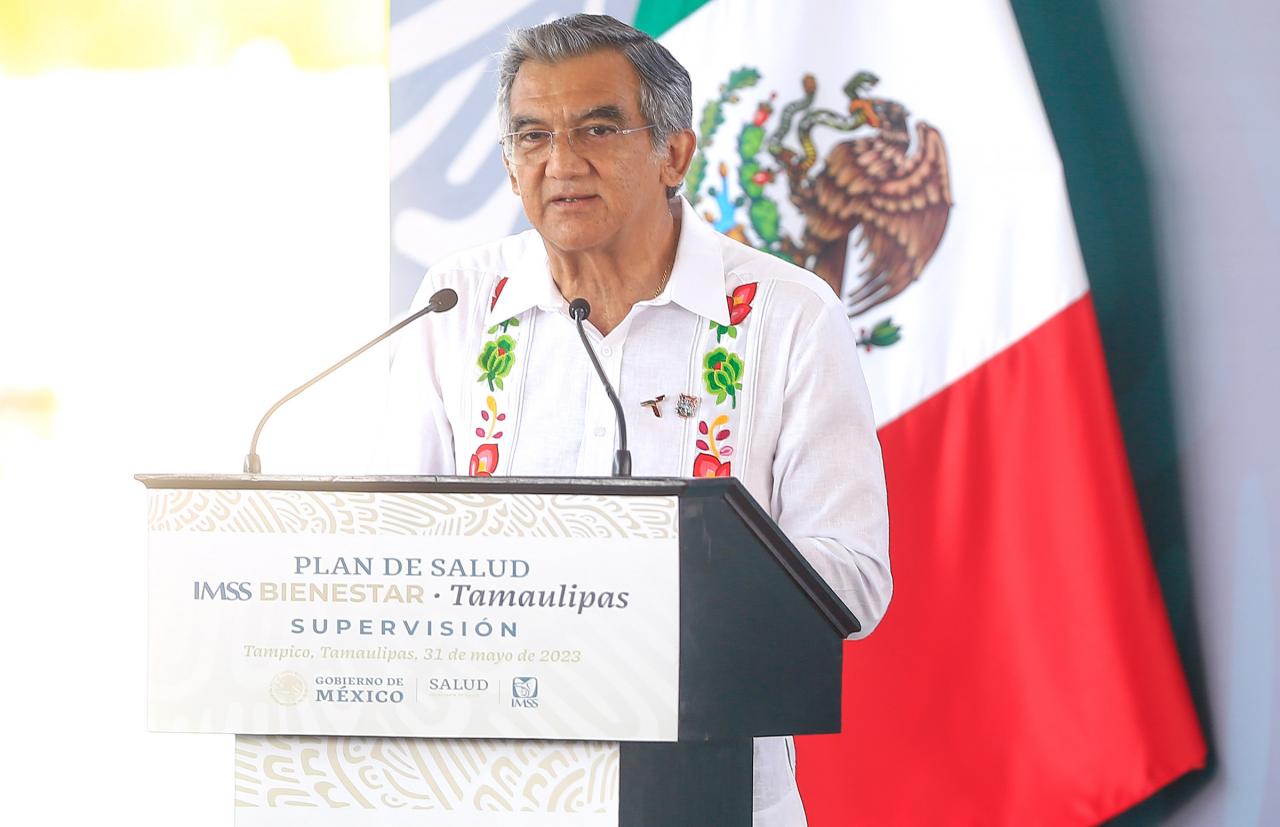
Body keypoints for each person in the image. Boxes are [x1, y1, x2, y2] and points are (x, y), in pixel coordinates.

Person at [383, 14, 890, 826]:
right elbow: (396, 547)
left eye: (597, 129)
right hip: (494, 793)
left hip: (714, 791)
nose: (561, 163)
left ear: (674, 154)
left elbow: (855, 581)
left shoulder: (788, 315)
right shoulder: (456, 302)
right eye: (532, 135)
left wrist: (647, 589)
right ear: (509, 164)